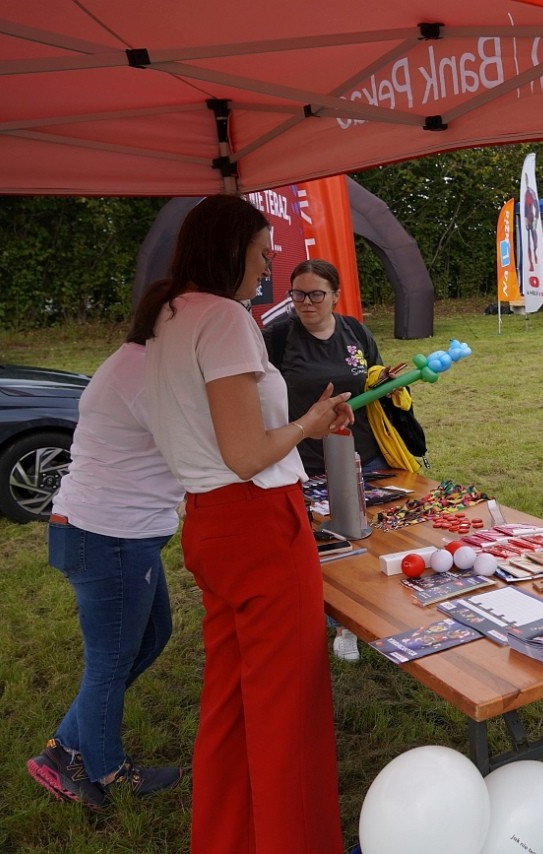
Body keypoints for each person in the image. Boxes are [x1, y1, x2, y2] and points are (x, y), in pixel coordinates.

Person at [133, 194, 352, 854]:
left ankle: (227, 839)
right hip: (257, 524)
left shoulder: (168, 315)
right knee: (288, 714)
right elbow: (247, 452)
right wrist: (309, 425)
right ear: (230, 249)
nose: (268, 265)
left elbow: (217, 431)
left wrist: (302, 421)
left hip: (210, 522)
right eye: (262, 252)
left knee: (230, 705)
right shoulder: (225, 318)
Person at [26, 336, 186, 810]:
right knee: (110, 662)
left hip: (116, 534)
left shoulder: (144, 363)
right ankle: (105, 770)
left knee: (153, 635)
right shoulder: (144, 372)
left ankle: (63, 748)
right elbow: (203, 448)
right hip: (108, 537)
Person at [263, 259, 385, 663]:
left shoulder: (355, 332)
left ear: (335, 295)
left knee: (364, 537)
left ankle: (363, 615)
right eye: (298, 294)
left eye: (316, 294)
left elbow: (372, 378)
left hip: (360, 455)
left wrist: (387, 384)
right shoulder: (278, 337)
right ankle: (335, 624)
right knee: (322, 547)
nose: (306, 302)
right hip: (304, 460)